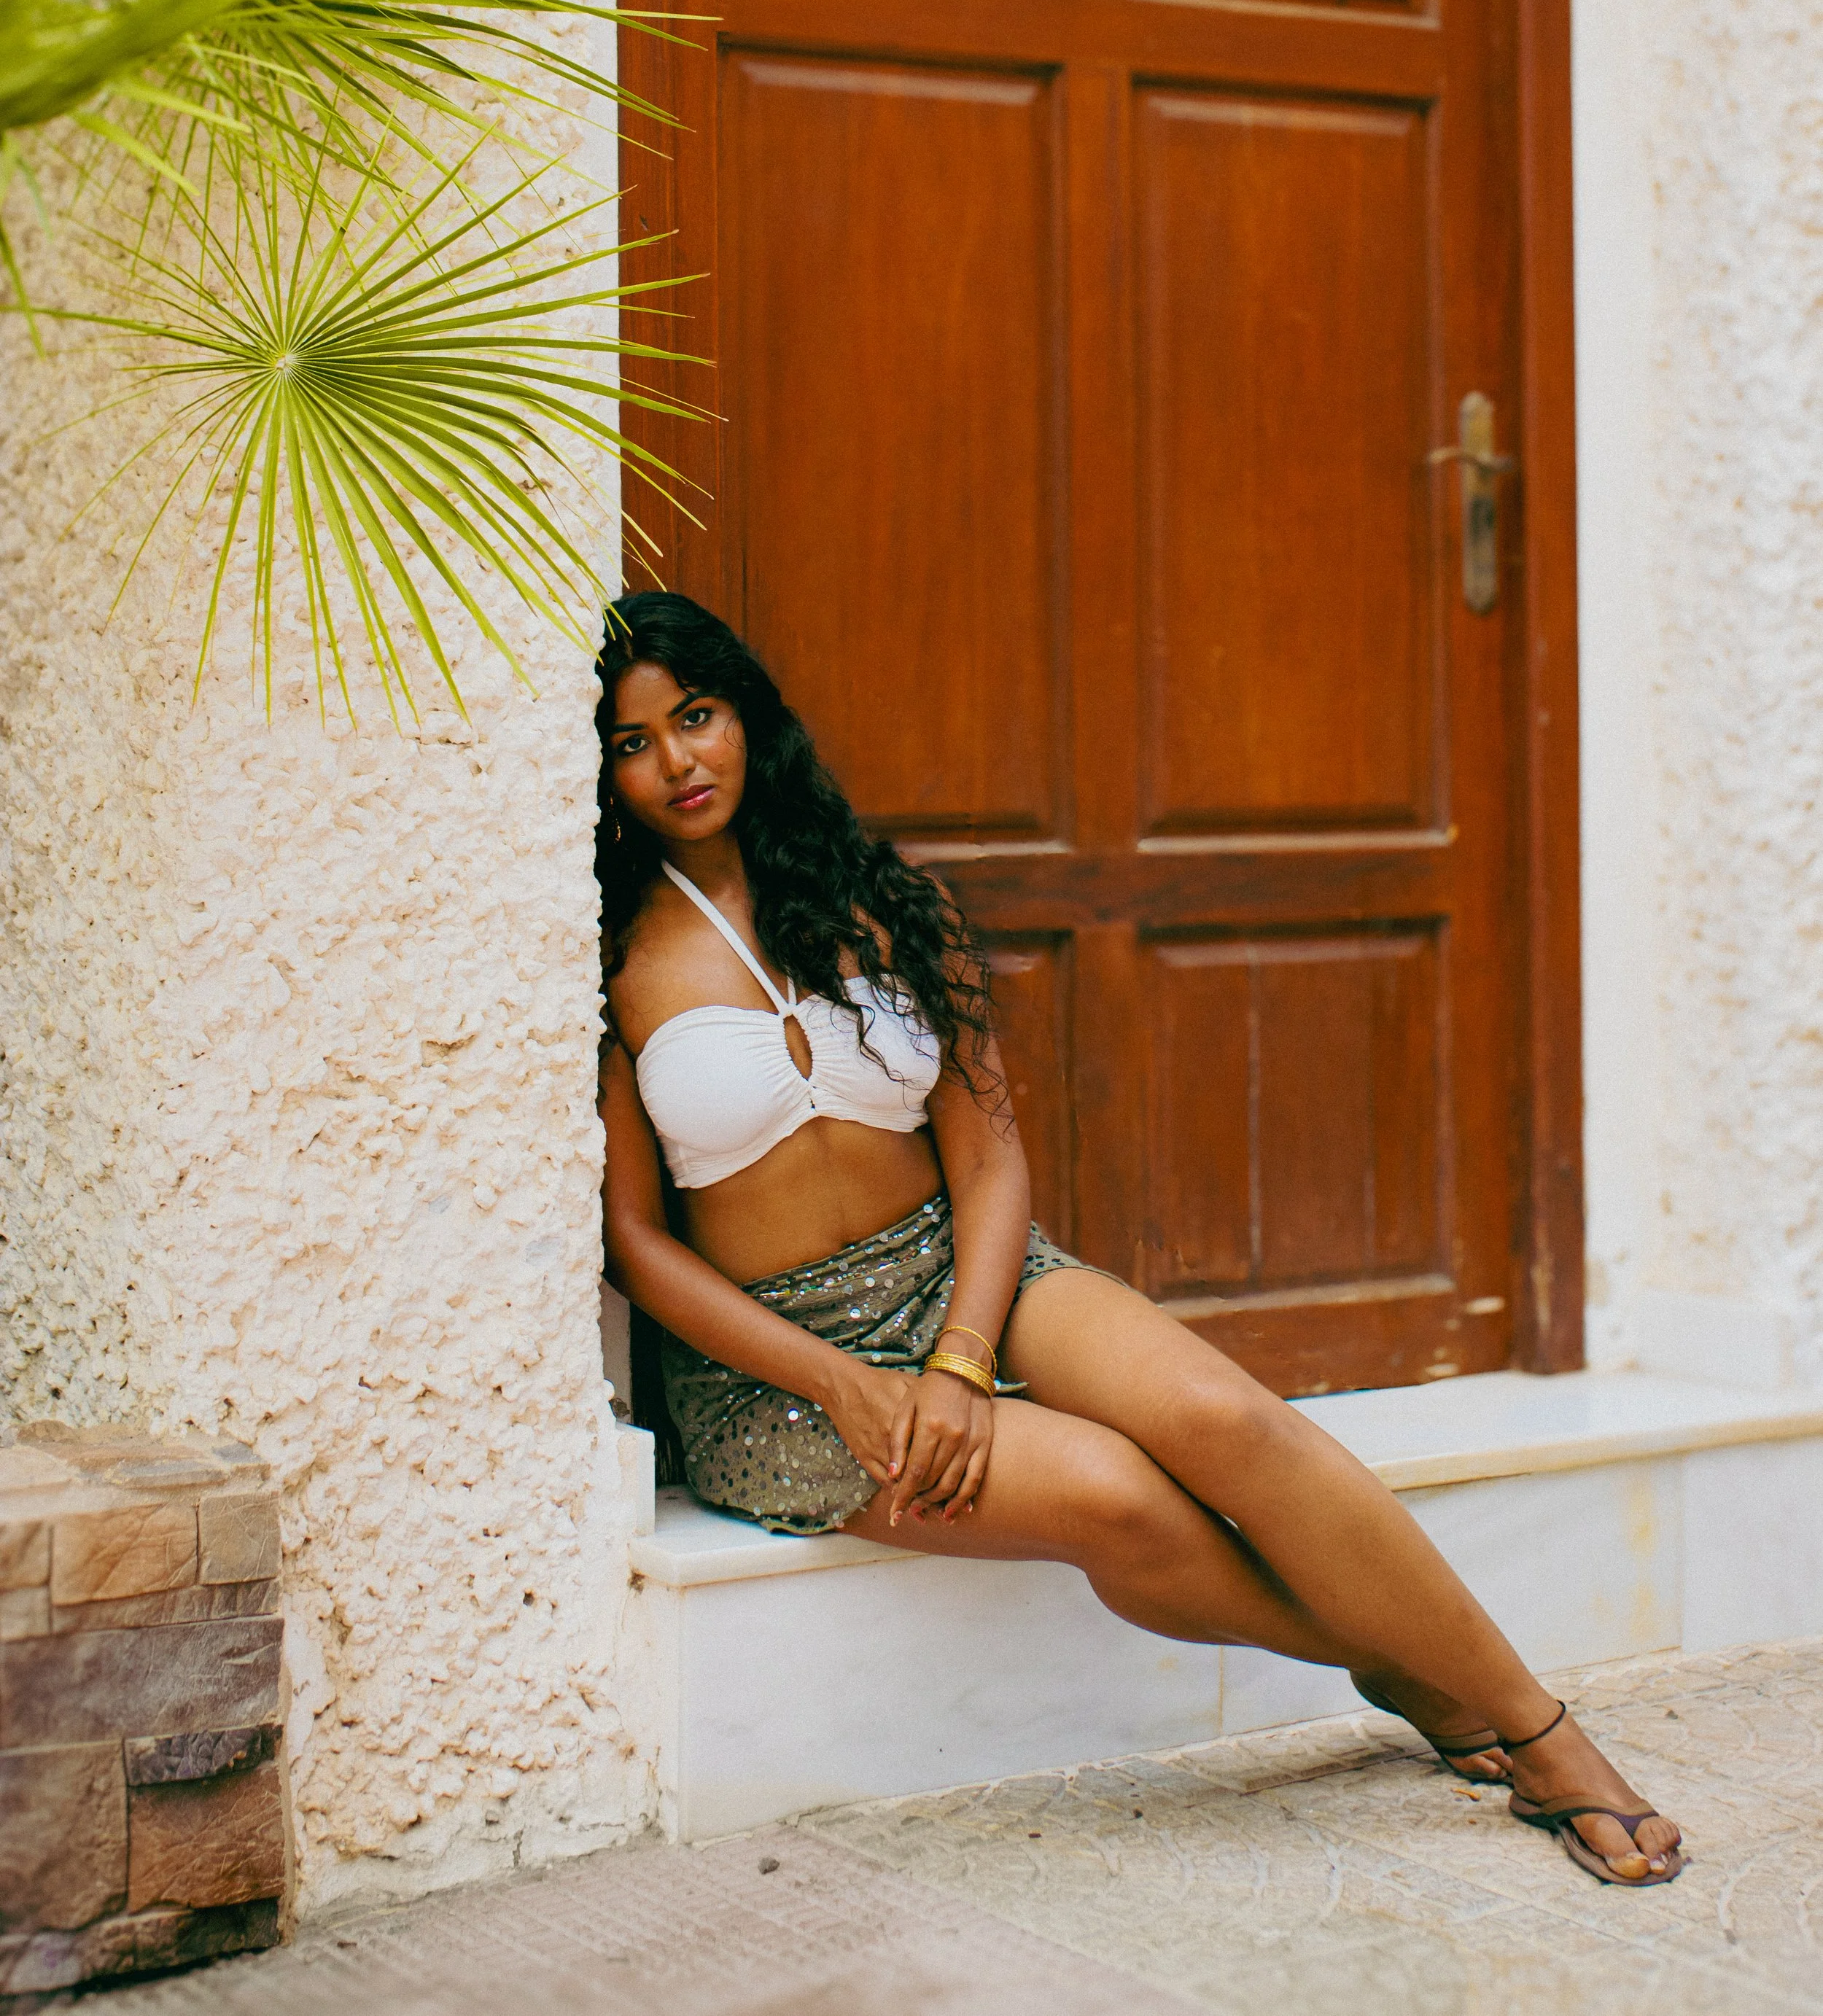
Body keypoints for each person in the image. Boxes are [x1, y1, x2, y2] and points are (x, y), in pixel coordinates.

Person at [597, 592, 1683, 1889]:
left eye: (698, 716)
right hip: (779, 1370)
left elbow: (990, 1154)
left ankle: (1540, 1726)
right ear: (608, 772)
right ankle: (1410, 1670)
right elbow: (636, 1242)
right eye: (635, 740)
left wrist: (958, 1353)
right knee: (1119, 1495)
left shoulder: (880, 901)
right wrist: (846, 1379)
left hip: (956, 1266)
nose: (679, 761)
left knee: (1227, 1419)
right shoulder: (608, 957)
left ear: (748, 716)